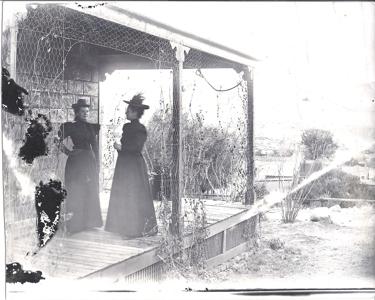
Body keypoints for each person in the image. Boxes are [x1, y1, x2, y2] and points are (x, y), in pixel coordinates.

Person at [105, 93, 158, 239]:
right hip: (125, 165)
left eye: (128, 110)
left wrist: (121, 148)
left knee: (132, 195)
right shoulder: (127, 127)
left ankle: (134, 230)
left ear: (135, 112)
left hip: (133, 166)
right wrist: (121, 148)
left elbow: (136, 148)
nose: (126, 112)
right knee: (124, 195)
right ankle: (123, 227)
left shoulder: (140, 129)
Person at [58, 98, 103, 234]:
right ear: (77, 112)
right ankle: (75, 224)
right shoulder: (70, 126)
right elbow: (57, 140)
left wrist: (97, 166)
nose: (86, 114)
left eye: (87, 111)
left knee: (89, 189)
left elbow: (95, 148)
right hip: (75, 163)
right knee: (75, 190)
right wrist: (68, 152)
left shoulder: (91, 127)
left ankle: (89, 222)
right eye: (83, 112)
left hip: (89, 162)